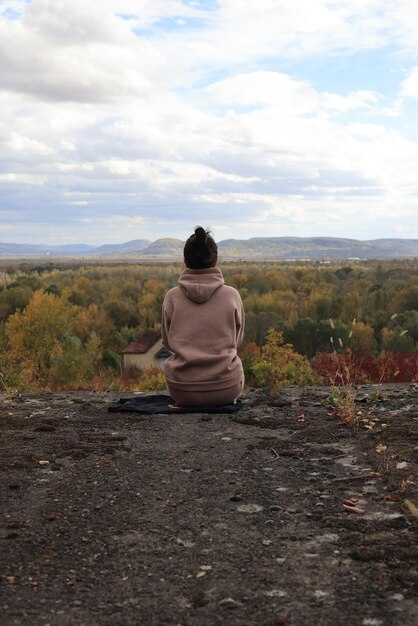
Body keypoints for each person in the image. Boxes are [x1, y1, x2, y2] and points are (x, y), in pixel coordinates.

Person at [161, 226, 245, 406]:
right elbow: (236, 340)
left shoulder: (172, 297)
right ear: (215, 260)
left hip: (182, 390)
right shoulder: (232, 295)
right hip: (227, 388)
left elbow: (168, 342)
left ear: (185, 261)